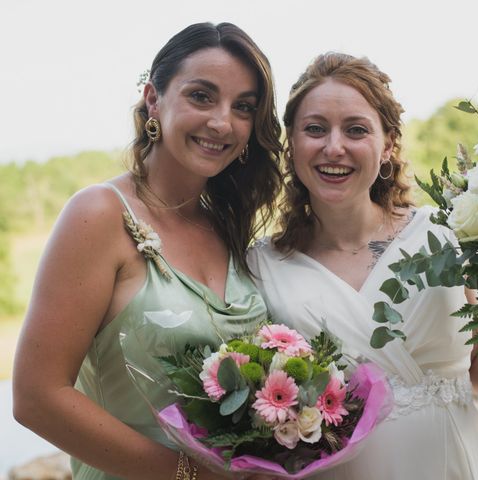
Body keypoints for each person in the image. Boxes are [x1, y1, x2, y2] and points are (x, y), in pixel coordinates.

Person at [247, 52, 478, 479]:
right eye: (315, 129)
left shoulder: (444, 233)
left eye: (356, 129)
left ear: (387, 145)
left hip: (451, 462)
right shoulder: (263, 266)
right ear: (292, 142)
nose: (335, 147)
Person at [13, 22, 281, 480]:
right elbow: (37, 397)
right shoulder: (98, 214)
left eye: (243, 107)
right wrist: (190, 475)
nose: (222, 122)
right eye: (202, 96)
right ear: (153, 98)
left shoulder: (227, 226)